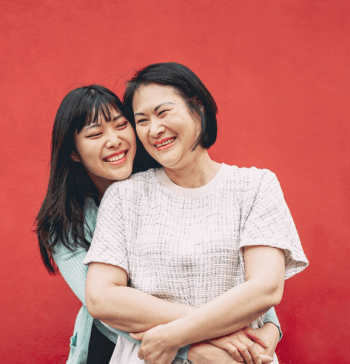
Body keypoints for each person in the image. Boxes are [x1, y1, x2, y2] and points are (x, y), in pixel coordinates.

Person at [36, 84, 282, 364]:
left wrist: (270, 325)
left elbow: (238, 270)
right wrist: (201, 342)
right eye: (95, 134)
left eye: (122, 125)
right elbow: (108, 312)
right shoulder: (66, 224)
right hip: (119, 346)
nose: (114, 140)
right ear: (73, 152)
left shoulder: (164, 181)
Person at [84, 63, 308, 364]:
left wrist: (174, 336)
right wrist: (213, 330)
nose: (154, 129)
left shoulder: (255, 186)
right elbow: (102, 298)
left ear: (197, 107)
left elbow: (265, 288)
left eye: (163, 112)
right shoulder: (124, 196)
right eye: (142, 120)